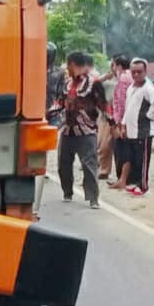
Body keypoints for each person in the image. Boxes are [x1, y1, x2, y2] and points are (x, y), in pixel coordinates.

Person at [58, 51, 105, 208]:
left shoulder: (93, 82)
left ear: (71, 64)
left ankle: (93, 198)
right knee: (63, 162)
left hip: (86, 130)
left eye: (68, 65)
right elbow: (60, 103)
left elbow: (103, 104)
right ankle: (67, 191)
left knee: (89, 164)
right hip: (67, 129)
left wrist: (113, 124)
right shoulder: (67, 84)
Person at [120, 58, 154, 197]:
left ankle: (144, 186)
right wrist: (123, 124)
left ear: (145, 72)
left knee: (143, 160)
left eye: (139, 72)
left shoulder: (148, 88)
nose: (136, 75)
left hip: (144, 131)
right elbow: (127, 108)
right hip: (131, 131)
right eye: (133, 72)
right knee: (134, 159)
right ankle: (136, 183)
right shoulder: (131, 88)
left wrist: (148, 116)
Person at [106, 54, 133, 189]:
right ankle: (122, 179)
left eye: (114, 65)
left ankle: (122, 180)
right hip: (126, 120)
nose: (113, 68)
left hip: (123, 121)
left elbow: (122, 103)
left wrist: (120, 124)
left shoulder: (123, 79)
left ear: (119, 66)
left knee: (123, 150)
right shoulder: (129, 77)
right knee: (123, 149)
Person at [97, 55, 126, 178]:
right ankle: (104, 170)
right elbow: (94, 84)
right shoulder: (107, 82)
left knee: (121, 147)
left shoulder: (125, 80)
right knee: (103, 146)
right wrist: (105, 77)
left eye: (114, 65)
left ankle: (121, 173)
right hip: (106, 117)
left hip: (121, 117)